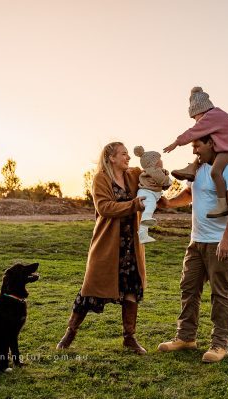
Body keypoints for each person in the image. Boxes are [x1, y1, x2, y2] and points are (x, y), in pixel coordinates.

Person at [157, 135, 228, 363]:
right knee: (188, 288)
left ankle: (219, 344)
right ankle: (186, 337)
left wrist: (227, 239)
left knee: (220, 293)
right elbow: (189, 195)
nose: (194, 150)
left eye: (197, 145)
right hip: (197, 240)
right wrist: (167, 203)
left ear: (212, 144)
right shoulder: (197, 168)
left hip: (221, 241)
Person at [56, 142, 148, 355]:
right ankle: (70, 332)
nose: (128, 157)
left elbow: (152, 178)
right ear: (111, 158)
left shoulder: (133, 175)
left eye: (127, 154)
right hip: (107, 245)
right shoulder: (101, 179)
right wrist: (134, 204)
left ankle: (129, 338)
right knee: (90, 290)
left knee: (132, 288)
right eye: (123, 154)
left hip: (131, 245)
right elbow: (105, 208)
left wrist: (161, 176)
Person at [164, 87, 228, 219]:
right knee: (203, 151)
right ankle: (191, 169)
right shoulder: (215, 115)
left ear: (201, 111)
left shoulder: (211, 117)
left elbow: (193, 131)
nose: (196, 121)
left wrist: (176, 142)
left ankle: (222, 204)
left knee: (215, 172)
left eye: (195, 118)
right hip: (222, 147)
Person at [133, 145, 172, 244]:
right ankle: (144, 225)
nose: (162, 161)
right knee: (149, 208)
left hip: (148, 193)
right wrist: (168, 180)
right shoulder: (153, 170)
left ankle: (143, 235)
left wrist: (164, 173)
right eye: (160, 159)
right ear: (154, 163)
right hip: (147, 193)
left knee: (149, 209)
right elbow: (163, 180)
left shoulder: (152, 171)